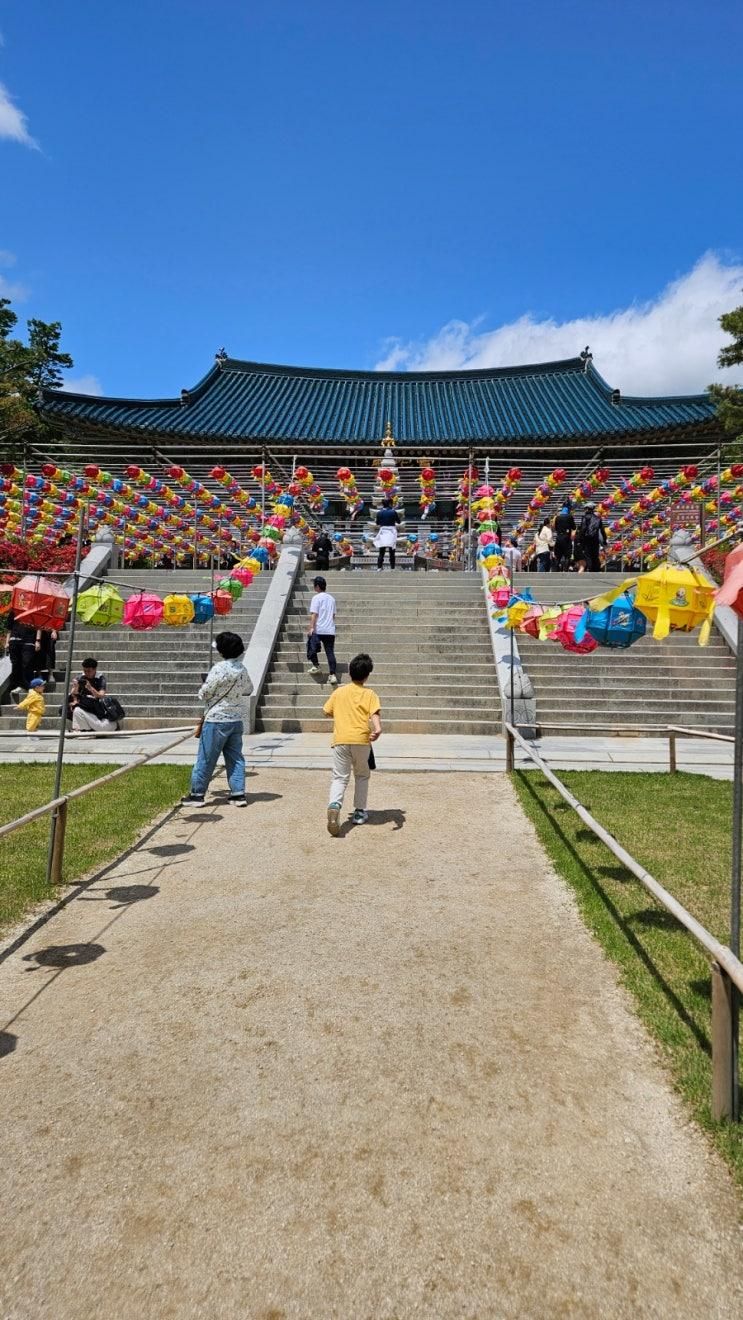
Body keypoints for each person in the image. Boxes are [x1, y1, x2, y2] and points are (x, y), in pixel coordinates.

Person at [181, 631, 253, 808]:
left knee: (206, 757)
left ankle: (197, 794)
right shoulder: (242, 669)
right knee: (235, 757)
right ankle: (238, 794)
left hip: (216, 719)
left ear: (222, 651)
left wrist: (204, 685)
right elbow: (249, 688)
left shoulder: (219, 668)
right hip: (236, 719)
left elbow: (204, 693)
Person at [323, 652, 381, 835]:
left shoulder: (339, 692)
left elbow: (326, 711)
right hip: (361, 740)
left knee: (340, 776)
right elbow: (375, 714)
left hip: (340, 740)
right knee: (362, 775)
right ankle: (359, 811)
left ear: (349, 672)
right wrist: (377, 729)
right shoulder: (369, 694)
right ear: (367, 675)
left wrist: (340, 714)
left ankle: (334, 804)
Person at [306, 575, 338, 684]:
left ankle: (316, 665)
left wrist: (311, 628)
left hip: (319, 630)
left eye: (315, 585)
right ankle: (332, 675)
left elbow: (314, 614)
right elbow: (333, 616)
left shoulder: (316, 598)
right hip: (330, 630)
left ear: (318, 586)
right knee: (330, 652)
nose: (314, 587)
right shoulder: (332, 599)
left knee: (310, 646)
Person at [8, 614, 41, 696]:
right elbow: (9, 628)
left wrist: (38, 640)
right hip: (15, 640)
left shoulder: (33, 610)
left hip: (28, 640)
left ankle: (28, 686)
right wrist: (7, 642)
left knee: (27, 663)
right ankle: (18, 685)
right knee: (15, 664)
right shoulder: (14, 610)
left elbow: (39, 626)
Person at [579, 501, 608, 572]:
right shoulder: (598, 518)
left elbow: (583, 529)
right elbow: (602, 531)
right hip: (595, 539)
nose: (584, 510)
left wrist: (580, 539)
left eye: (585, 508)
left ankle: (590, 569)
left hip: (587, 539)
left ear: (587, 509)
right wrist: (604, 540)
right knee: (595, 555)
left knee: (588, 555)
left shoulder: (585, 517)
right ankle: (596, 570)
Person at [374, 497, 401, 570]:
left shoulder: (379, 512)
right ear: (389, 503)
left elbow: (377, 523)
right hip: (391, 532)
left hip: (383, 532)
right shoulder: (393, 511)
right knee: (392, 552)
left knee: (381, 552)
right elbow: (399, 522)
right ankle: (392, 568)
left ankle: (379, 567)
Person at [553, 503, 576, 572]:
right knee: (567, 556)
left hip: (559, 538)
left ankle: (556, 571)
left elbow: (556, 528)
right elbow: (574, 527)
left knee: (558, 557)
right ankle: (565, 571)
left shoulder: (558, 517)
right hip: (567, 539)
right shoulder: (570, 517)